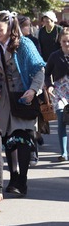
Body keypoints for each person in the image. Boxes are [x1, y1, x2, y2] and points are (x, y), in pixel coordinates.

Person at [0, 11, 45, 196]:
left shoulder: (24, 44)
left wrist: (33, 90)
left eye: (0, 29)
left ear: (10, 27)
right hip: (3, 99)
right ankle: (13, 177)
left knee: (23, 138)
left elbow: (39, 69)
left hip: (23, 95)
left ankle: (22, 180)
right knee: (8, 140)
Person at [44, 27, 69, 162]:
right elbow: (47, 74)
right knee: (62, 120)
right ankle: (64, 152)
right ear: (60, 41)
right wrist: (49, 86)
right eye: (64, 41)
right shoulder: (55, 55)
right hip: (60, 91)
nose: (67, 44)